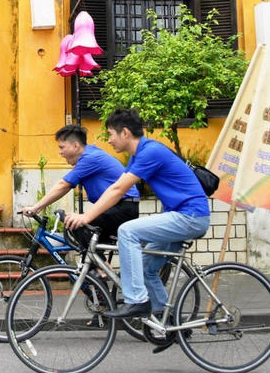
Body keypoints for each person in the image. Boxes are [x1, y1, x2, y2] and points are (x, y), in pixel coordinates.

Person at [64, 109, 211, 342]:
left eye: (111, 134)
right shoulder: (138, 156)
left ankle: (136, 301)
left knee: (127, 230)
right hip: (180, 216)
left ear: (125, 132)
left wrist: (86, 216)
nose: (109, 140)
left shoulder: (150, 152)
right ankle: (167, 321)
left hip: (190, 216)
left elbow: (117, 190)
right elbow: (116, 189)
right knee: (145, 268)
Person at [18, 124, 139, 245]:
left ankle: (101, 265)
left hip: (123, 207)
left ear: (75, 145)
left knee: (76, 225)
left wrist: (36, 207)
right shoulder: (89, 155)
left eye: (62, 147)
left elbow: (63, 185)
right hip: (118, 207)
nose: (60, 152)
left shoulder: (90, 158)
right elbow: (67, 185)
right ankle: (95, 263)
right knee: (87, 246)